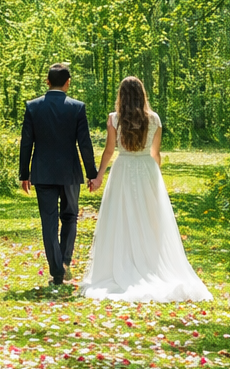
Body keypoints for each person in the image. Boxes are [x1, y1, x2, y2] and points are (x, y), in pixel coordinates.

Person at [78, 75, 212, 302]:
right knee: (150, 219)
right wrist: (155, 177)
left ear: (122, 97)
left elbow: (109, 151)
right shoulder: (154, 119)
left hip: (123, 169)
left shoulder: (114, 119)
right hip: (147, 170)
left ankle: (123, 261)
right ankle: (148, 261)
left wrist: (99, 177)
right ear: (142, 95)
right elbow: (155, 154)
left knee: (120, 217)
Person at [19, 63, 100, 286]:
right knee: (70, 216)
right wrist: (92, 174)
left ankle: (57, 270)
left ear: (47, 81)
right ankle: (64, 261)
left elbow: (27, 143)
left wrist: (23, 173)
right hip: (69, 172)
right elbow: (85, 144)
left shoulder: (33, 107)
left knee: (49, 221)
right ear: (68, 82)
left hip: (42, 172)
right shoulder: (77, 107)